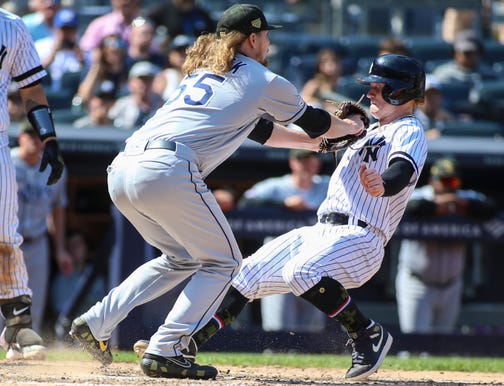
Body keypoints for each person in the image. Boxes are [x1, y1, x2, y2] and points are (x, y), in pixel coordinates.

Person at [68, 3, 364, 381]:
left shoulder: (205, 72)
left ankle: (95, 323)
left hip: (124, 167)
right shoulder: (263, 79)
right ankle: (166, 348)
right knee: (224, 263)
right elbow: (315, 121)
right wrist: (350, 127)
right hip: (167, 169)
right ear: (253, 38)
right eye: (266, 35)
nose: (269, 42)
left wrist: (316, 144)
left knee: (180, 258)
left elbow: (260, 131)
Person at [145, 53, 428, 380]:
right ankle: (186, 344)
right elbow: (295, 134)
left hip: (363, 239)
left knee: (301, 271)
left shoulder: (408, 129)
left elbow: (402, 168)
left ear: (400, 93)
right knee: (244, 274)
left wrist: (384, 185)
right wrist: (244, 115)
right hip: (322, 231)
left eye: (379, 88)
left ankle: (366, 333)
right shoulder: (365, 131)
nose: (370, 94)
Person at [0, 7, 65, 360]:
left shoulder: (11, 26)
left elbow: (31, 87)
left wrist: (49, 139)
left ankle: (17, 324)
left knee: (5, 236)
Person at [395, 157, 496, 334]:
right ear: (432, 181)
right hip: (417, 283)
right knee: (415, 345)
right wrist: (440, 205)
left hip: (452, 284)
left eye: (453, 180)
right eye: (444, 180)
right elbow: (412, 207)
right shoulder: (420, 194)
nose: (449, 185)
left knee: (443, 346)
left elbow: (489, 208)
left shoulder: (464, 198)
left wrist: (457, 202)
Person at [239, 149, 330, 333]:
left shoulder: (327, 185)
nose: (307, 164)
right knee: (278, 329)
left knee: (312, 329)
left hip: (315, 260)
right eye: (302, 159)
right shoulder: (276, 187)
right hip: (278, 261)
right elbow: (245, 204)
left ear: (318, 163)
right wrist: (283, 205)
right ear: (292, 163)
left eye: (311, 159)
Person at [10, 120, 73, 334]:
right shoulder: (5, 162)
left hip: (37, 243)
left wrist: (61, 249)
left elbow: (58, 210)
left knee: (33, 304)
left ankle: (26, 355)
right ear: (21, 137)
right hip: (6, 242)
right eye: (30, 135)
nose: (35, 141)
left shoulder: (55, 169)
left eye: (40, 137)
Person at [49, 230, 107, 319]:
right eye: (72, 246)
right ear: (67, 251)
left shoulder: (96, 275)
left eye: (78, 244)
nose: (76, 249)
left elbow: (105, 308)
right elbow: (61, 316)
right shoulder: (60, 281)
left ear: (86, 248)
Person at [34, 8, 85, 92]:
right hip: (45, 96)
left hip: (72, 98)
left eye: (70, 30)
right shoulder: (41, 46)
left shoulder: (84, 49)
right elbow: (31, 75)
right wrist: (52, 55)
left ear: (76, 31)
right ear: (55, 29)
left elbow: (90, 75)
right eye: (63, 30)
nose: (66, 34)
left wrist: (81, 58)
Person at [108, 61, 164, 130]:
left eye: (148, 80)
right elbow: (110, 126)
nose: (144, 84)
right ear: (131, 82)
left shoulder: (161, 105)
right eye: (141, 80)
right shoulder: (122, 104)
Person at [75, 34, 128, 105]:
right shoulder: (93, 70)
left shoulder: (128, 69)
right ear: (102, 50)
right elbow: (83, 96)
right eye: (109, 43)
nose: (114, 48)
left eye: (119, 43)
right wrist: (96, 65)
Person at [431, 29, 498, 85]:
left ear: (479, 53)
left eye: (471, 53)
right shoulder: (443, 75)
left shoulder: (490, 75)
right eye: (465, 53)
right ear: (455, 54)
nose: (468, 56)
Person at [300, 48, 349, 113]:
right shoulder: (314, 84)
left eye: (334, 61)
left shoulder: (344, 85)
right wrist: (324, 105)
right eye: (326, 62)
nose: (331, 65)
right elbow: (301, 102)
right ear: (319, 65)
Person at [145, 0, 215, 42]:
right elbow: (146, 22)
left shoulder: (201, 14)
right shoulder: (164, 11)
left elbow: (211, 32)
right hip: (173, 52)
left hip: (197, 51)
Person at [152, 34, 194, 101]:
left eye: (186, 51)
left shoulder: (199, 75)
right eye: (178, 51)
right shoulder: (164, 76)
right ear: (170, 55)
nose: (182, 55)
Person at [413, 75, 454, 140]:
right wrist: (425, 136)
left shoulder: (447, 119)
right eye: (427, 95)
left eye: (434, 95)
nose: (431, 99)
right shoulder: (410, 119)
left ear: (440, 97)